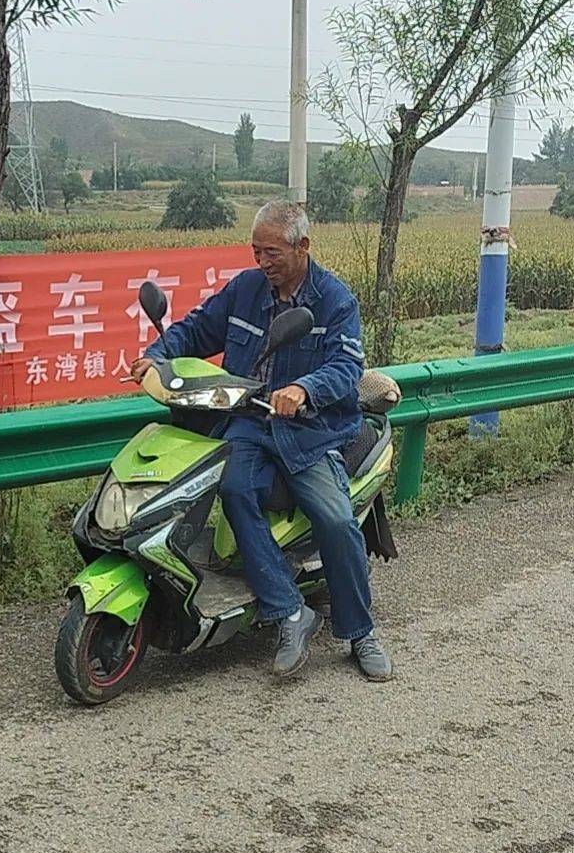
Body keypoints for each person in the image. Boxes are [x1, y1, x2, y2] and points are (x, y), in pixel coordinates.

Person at [132, 199, 393, 683]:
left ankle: (360, 632)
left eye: (271, 252)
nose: (262, 262)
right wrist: (156, 356)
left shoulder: (335, 300)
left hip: (310, 430)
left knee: (335, 519)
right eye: (256, 251)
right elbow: (195, 328)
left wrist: (304, 388)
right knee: (234, 491)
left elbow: (345, 366)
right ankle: (289, 612)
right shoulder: (247, 290)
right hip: (251, 420)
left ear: (302, 246)